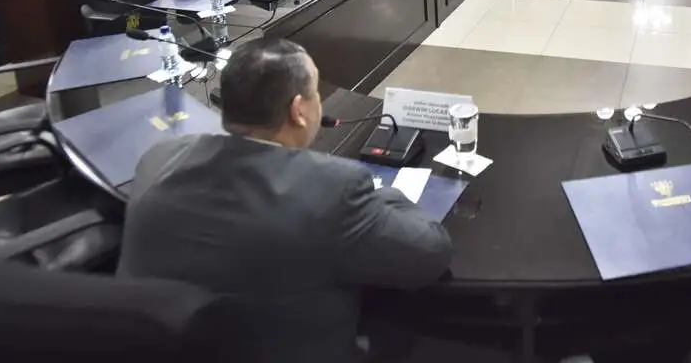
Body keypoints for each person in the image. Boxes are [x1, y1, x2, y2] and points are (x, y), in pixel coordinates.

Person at [118, 38, 452, 361]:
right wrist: (383, 193)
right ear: (298, 110)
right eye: (315, 94)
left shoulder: (159, 158)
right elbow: (431, 251)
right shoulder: (335, 190)